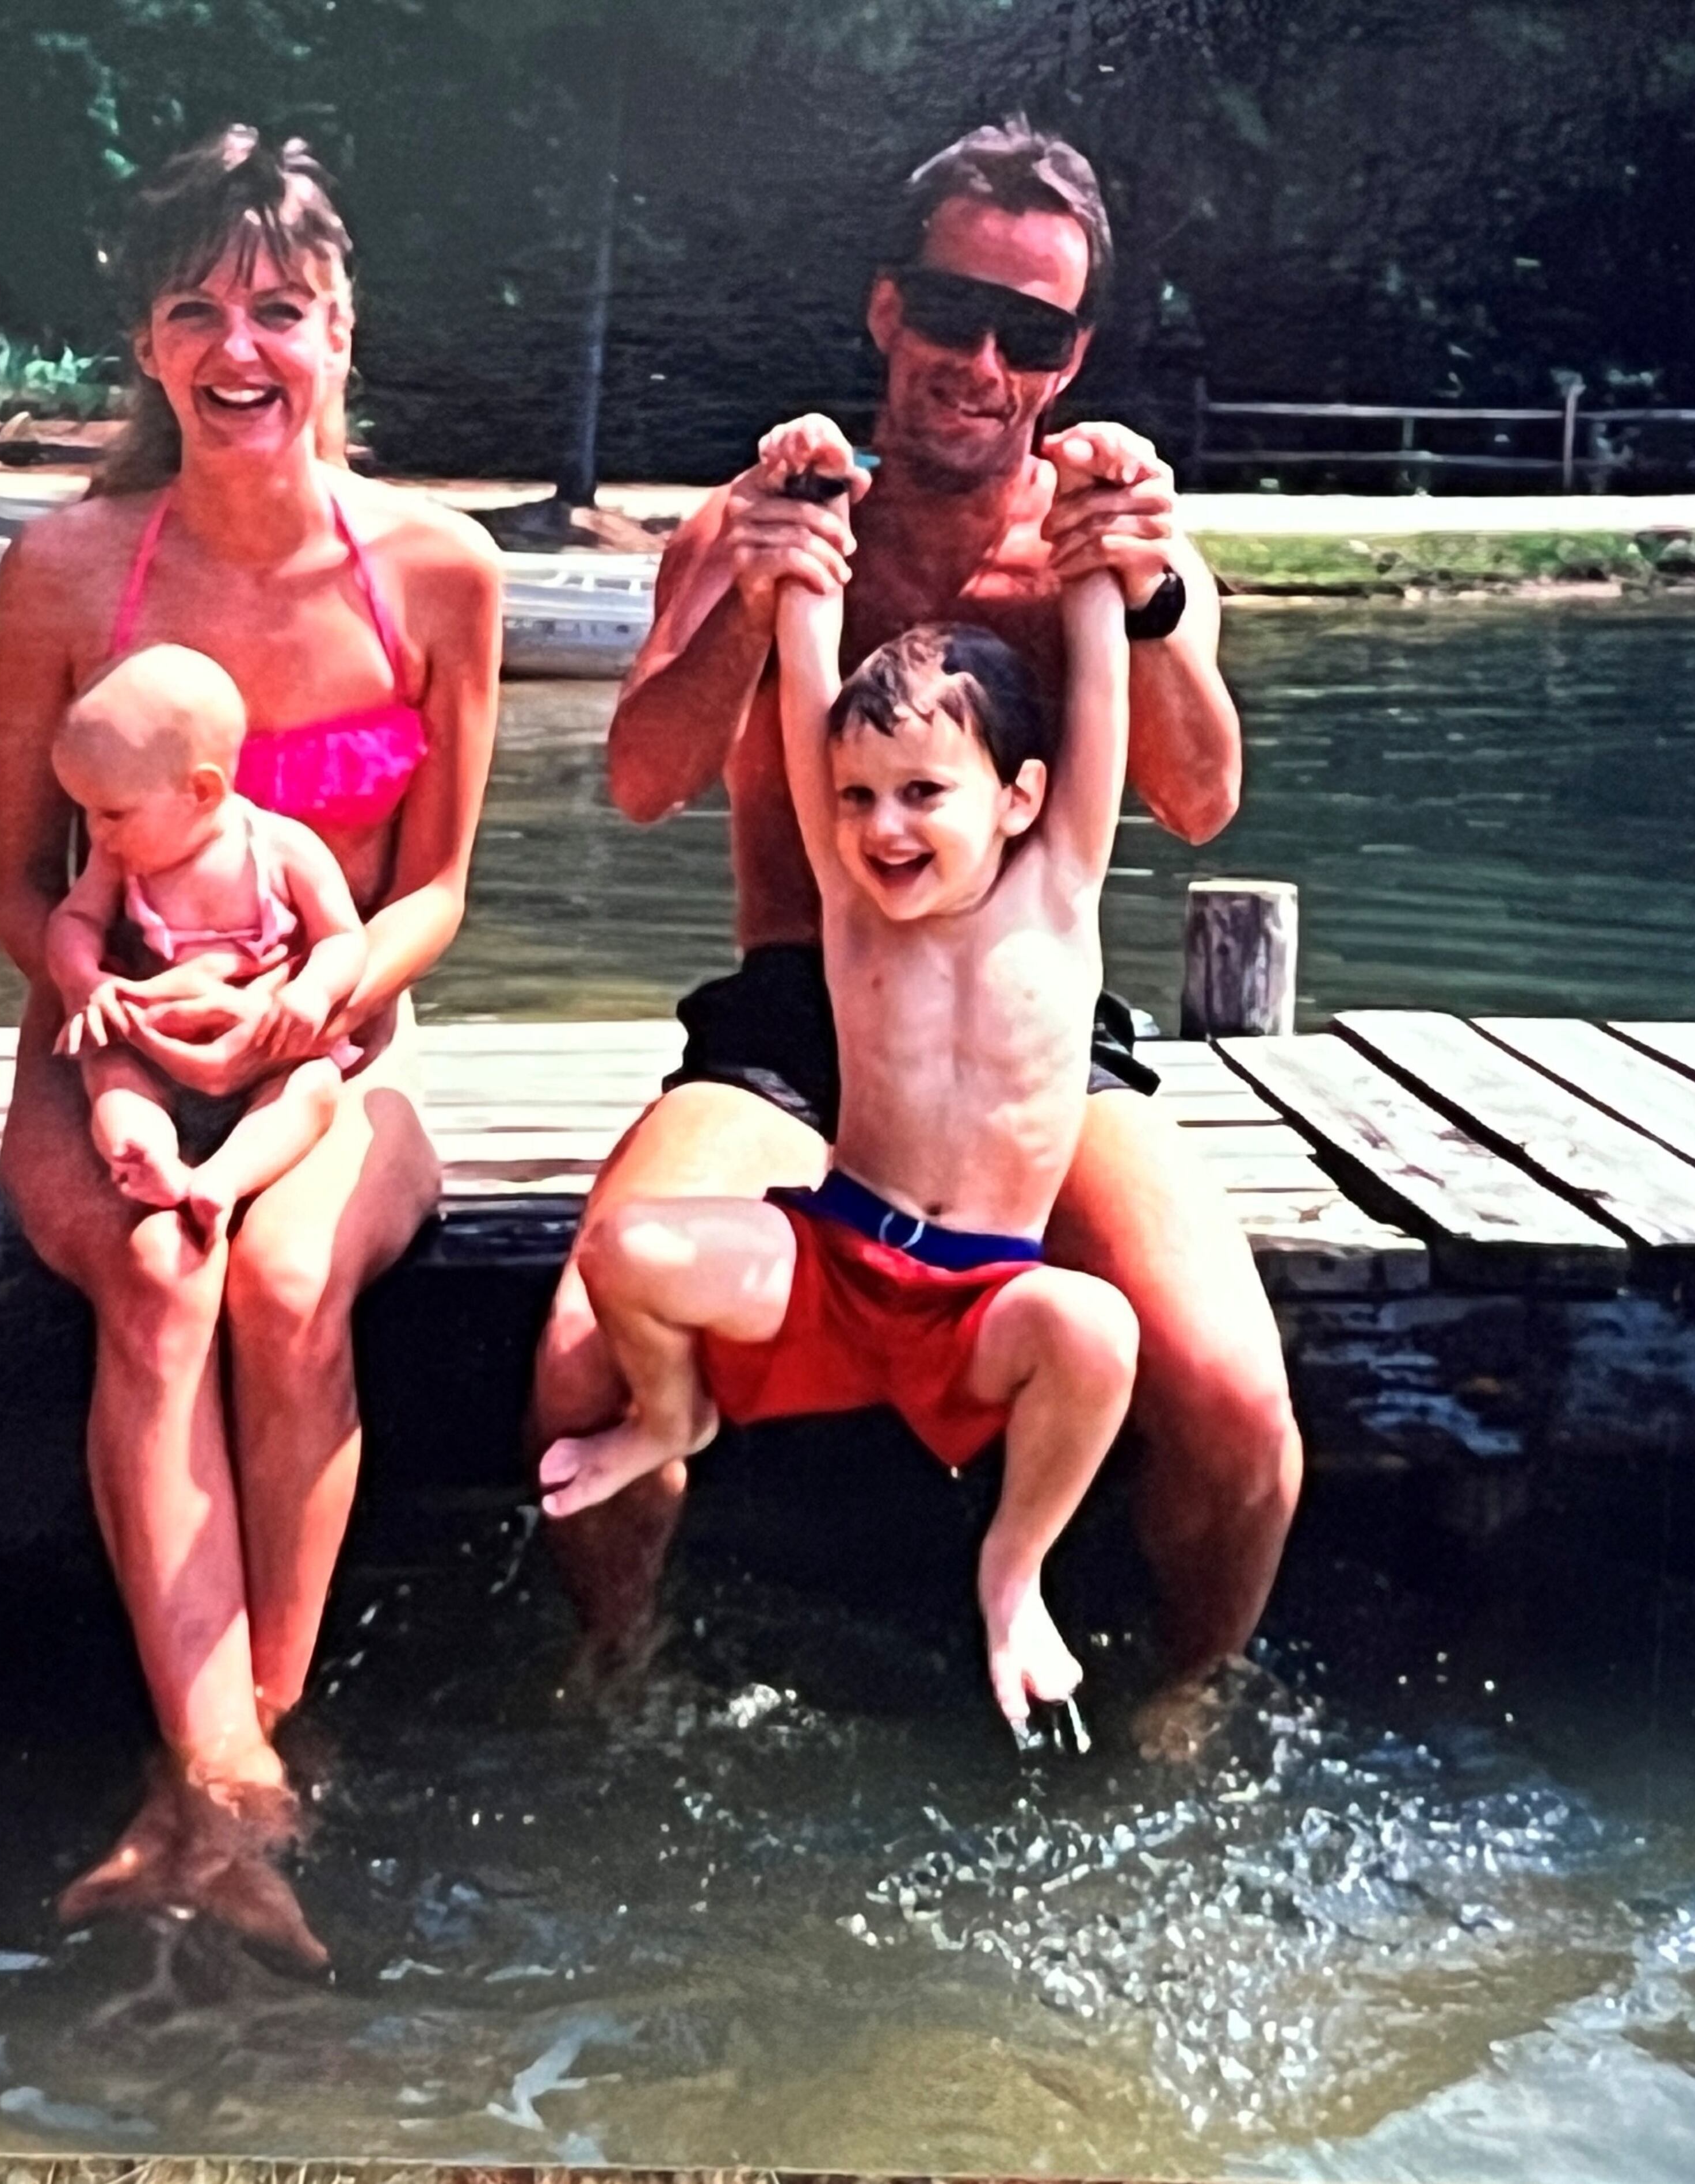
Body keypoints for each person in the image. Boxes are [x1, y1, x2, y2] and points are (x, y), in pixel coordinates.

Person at [529, 117, 1302, 1752]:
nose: (980, 363)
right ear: (888, 308)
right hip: (795, 1025)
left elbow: (1202, 799)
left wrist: (1158, 605)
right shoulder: (764, 521)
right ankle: (621, 1686)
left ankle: (1180, 1714)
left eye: (1029, 334)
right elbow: (646, 781)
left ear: (1071, 357)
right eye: (952, 312)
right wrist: (751, 605)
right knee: (581, 1355)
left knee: (1237, 1399)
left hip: (1032, 1045)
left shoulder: (1107, 546)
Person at [0, 126, 501, 1964]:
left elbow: (436, 891)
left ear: (340, 329)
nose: (239, 344)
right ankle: (224, 1775)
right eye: (195, 308)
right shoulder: (67, 570)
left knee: (286, 1282)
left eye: (279, 305)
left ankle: (225, 1772)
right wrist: (114, 1008)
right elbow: (12, 885)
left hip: (337, 1055)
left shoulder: (438, 572)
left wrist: (310, 1004)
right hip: (105, 1048)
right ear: (145, 343)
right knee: (160, 1269)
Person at [543, 440, 1140, 1729]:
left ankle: (1014, 1567)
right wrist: (811, 504)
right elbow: (808, 670)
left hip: (985, 1296)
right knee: (624, 1248)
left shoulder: (1060, 884)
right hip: (837, 1261)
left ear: (1021, 798)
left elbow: (1101, 684)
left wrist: (1100, 521)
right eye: (858, 796)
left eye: (924, 793)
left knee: (1099, 1330)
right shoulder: (852, 904)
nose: (883, 827)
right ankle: (670, 1417)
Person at [47, 643, 366, 1246]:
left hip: (269, 1049)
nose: (97, 834)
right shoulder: (119, 861)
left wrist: (312, 993)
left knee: (312, 1089)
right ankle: (146, 1156)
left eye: (112, 813)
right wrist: (87, 981)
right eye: (86, 812)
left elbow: (344, 936)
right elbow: (74, 920)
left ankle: (223, 1179)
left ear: (202, 791)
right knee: (111, 1072)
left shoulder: (282, 850)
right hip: (156, 1045)